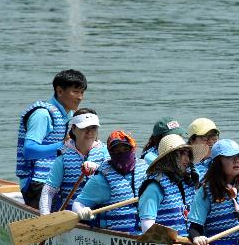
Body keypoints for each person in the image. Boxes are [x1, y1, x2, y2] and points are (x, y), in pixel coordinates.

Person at [16, 69, 87, 207]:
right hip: (37, 183)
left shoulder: (69, 114)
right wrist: (63, 146)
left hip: (57, 180)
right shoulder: (42, 115)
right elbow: (29, 150)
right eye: (75, 92)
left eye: (82, 92)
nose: (80, 97)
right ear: (59, 91)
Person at [72, 131, 147, 233]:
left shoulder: (145, 171)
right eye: (116, 151)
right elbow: (78, 203)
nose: (122, 154)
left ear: (133, 149)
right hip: (115, 238)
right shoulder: (100, 181)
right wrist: (81, 210)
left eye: (126, 149)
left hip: (143, 234)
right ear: (110, 153)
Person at [189, 139, 239, 245]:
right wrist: (197, 238)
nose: (236, 161)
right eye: (229, 157)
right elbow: (195, 227)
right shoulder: (206, 191)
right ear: (217, 162)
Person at [39, 108, 110, 214]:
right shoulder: (63, 158)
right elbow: (48, 191)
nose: (89, 132)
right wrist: (45, 216)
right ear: (73, 129)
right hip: (71, 217)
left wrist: (97, 167)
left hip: (102, 214)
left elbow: (115, 176)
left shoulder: (107, 152)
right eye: (85, 128)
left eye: (93, 128)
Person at [138, 133, 208, 236]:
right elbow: (147, 227)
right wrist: (175, 240)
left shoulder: (188, 183)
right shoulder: (154, 187)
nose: (187, 159)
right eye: (181, 154)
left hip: (190, 243)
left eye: (187, 154)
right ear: (168, 157)